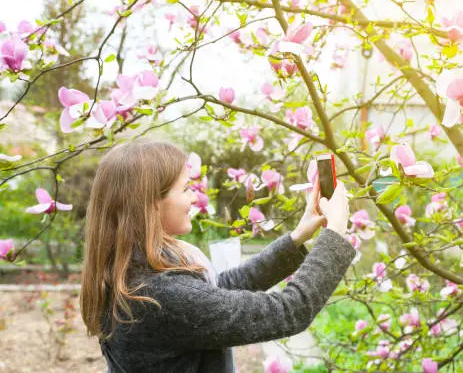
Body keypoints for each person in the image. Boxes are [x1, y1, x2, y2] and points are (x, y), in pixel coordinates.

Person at [79, 140, 355, 372]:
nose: (194, 198)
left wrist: (298, 237)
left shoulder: (129, 273)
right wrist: (335, 233)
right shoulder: (164, 296)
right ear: (152, 203)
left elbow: (215, 292)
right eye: (186, 188)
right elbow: (290, 310)